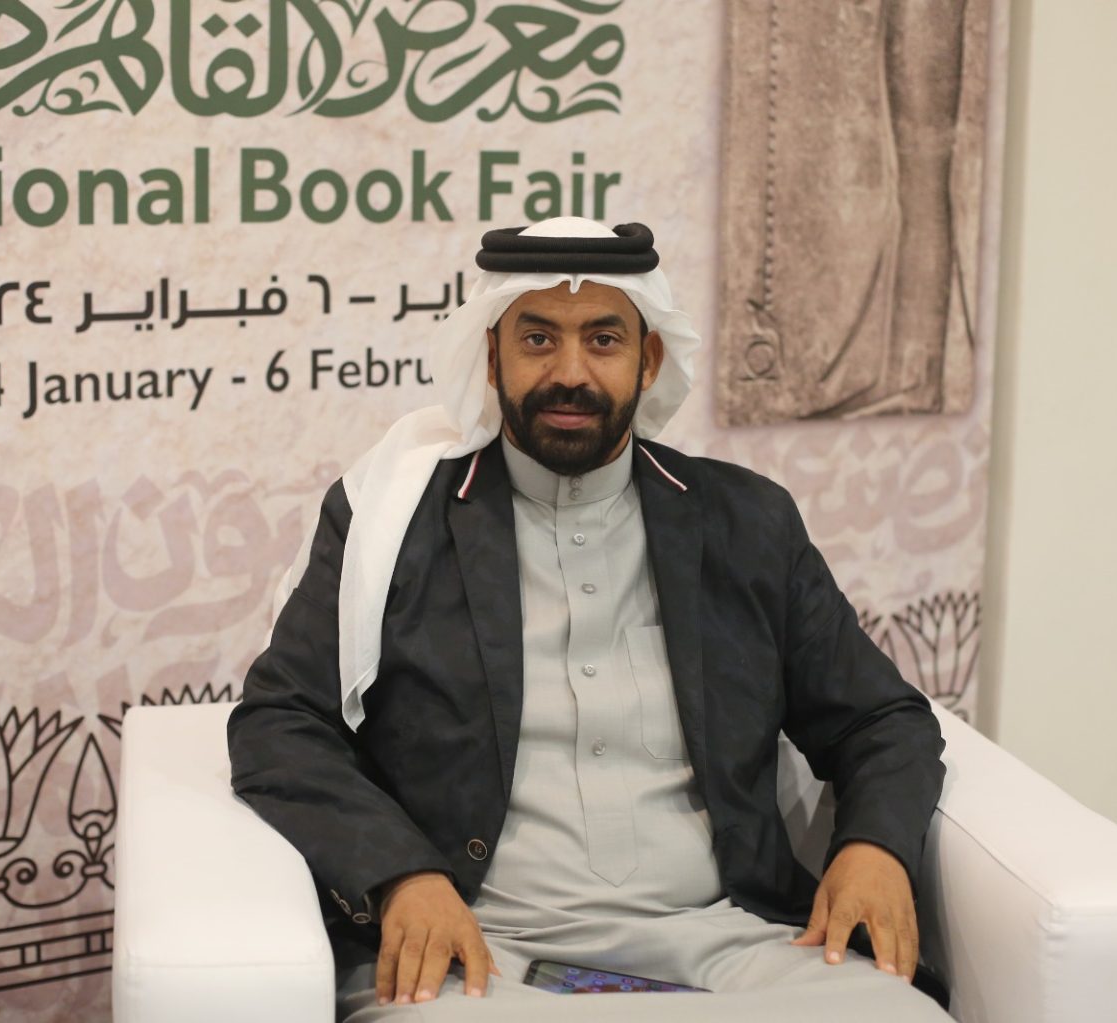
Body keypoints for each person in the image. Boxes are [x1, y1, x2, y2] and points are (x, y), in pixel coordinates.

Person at [229, 218, 949, 1021]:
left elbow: (881, 718)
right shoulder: (397, 523)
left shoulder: (746, 522)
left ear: (649, 360)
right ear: (492, 355)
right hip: (480, 955)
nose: (569, 373)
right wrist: (404, 876)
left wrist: (874, 848)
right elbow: (281, 722)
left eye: (603, 340)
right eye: (538, 339)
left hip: (733, 943)